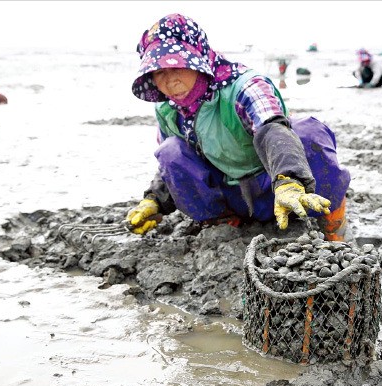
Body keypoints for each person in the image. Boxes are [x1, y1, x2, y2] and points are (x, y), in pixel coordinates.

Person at [126, 14, 351, 241]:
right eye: (159, 72)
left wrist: (288, 182)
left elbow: (272, 130)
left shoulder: (244, 87)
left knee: (309, 133)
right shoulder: (168, 109)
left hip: (275, 186)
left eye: (177, 68)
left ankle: (331, 222)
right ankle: (224, 223)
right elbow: (175, 163)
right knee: (169, 150)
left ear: (198, 59)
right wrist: (154, 198)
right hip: (233, 195)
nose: (170, 81)